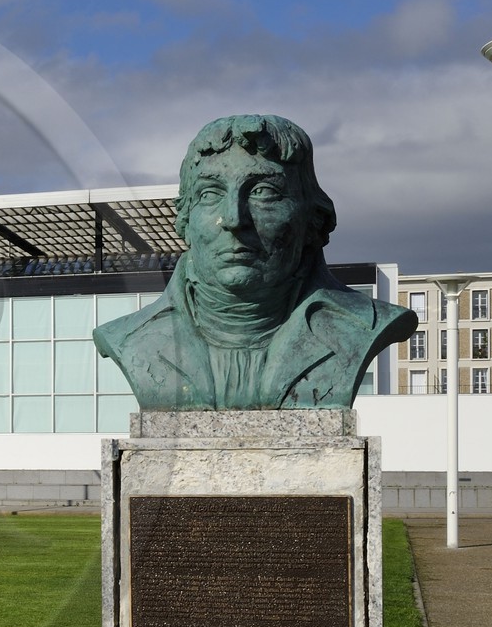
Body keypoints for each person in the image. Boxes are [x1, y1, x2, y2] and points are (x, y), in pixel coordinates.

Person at [93, 114, 418, 410]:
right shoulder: (130, 338)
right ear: (185, 222)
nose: (234, 219)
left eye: (263, 192)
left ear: (313, 220)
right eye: (210, 194)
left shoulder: (364, 325)